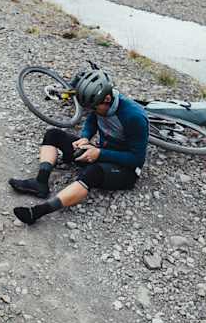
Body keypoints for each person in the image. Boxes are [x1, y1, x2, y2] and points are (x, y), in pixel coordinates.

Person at [9, 69, 149, 224]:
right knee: (53, 134)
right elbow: (91, 120)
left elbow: (137, 159)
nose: (92, 110)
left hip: (126, 170)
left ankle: (37, 212)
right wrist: (85, 137)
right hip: (99, 152)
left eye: (94, 107)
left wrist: (100, 154)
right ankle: (40, 183)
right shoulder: (99, 104)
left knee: (92, 173)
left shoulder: (134, 117)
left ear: (107, 98)